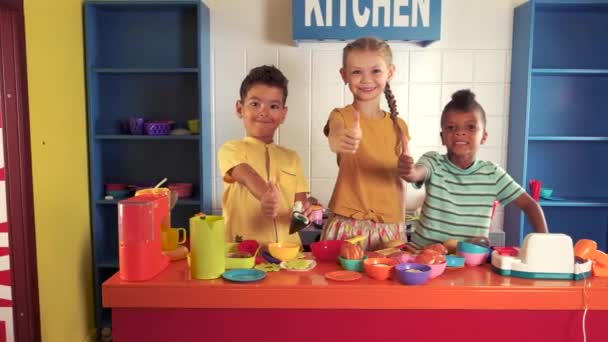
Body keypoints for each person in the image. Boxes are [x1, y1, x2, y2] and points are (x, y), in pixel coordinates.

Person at [401, 89, 548, 249]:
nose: (460, 132)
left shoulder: (493, 174)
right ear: (442, 137)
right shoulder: (433, 161)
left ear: (484, 136)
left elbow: (530, 205)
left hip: (470, 263)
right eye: (451, 127)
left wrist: (545, 244)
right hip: (423, 259)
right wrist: (409, 171)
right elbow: (416, 173)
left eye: (471, 127)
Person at [320, 37, 412, 251]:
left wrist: (410, 171)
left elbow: (405, 176)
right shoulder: (341, 117)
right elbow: (335, 135)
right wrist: (340, 140)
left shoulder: (400, 126)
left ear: (390, 72)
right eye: (356, 72)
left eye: (376, 71)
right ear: (344, 75)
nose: (366, 79)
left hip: (390, 229)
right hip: (347, 228)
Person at [218, 65, 313, 246]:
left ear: (283, 114)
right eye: (255, 104)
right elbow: (246, 174)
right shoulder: (231, 149)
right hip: (243, 255)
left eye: (273, 106)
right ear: (240, 109)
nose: (264, 111)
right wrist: (265, 197)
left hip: (289, 254)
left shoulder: (292, 157)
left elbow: (299, 205)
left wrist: (306, 212)